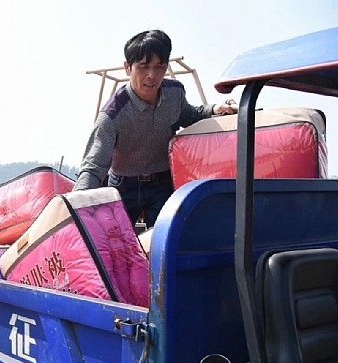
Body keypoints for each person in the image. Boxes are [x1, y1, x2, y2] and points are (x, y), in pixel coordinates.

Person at [73, 29, 239, 228]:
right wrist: (74, 206)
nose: (152, 75)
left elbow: (190, 115)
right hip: (124, 186)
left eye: (159, 67)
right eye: (143, 67)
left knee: (165, 237)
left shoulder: (175, 94)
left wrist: (215, 109)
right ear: (128, 68)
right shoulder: (112, 115)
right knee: (118, 239)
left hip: (163, 183)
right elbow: (94, 167)